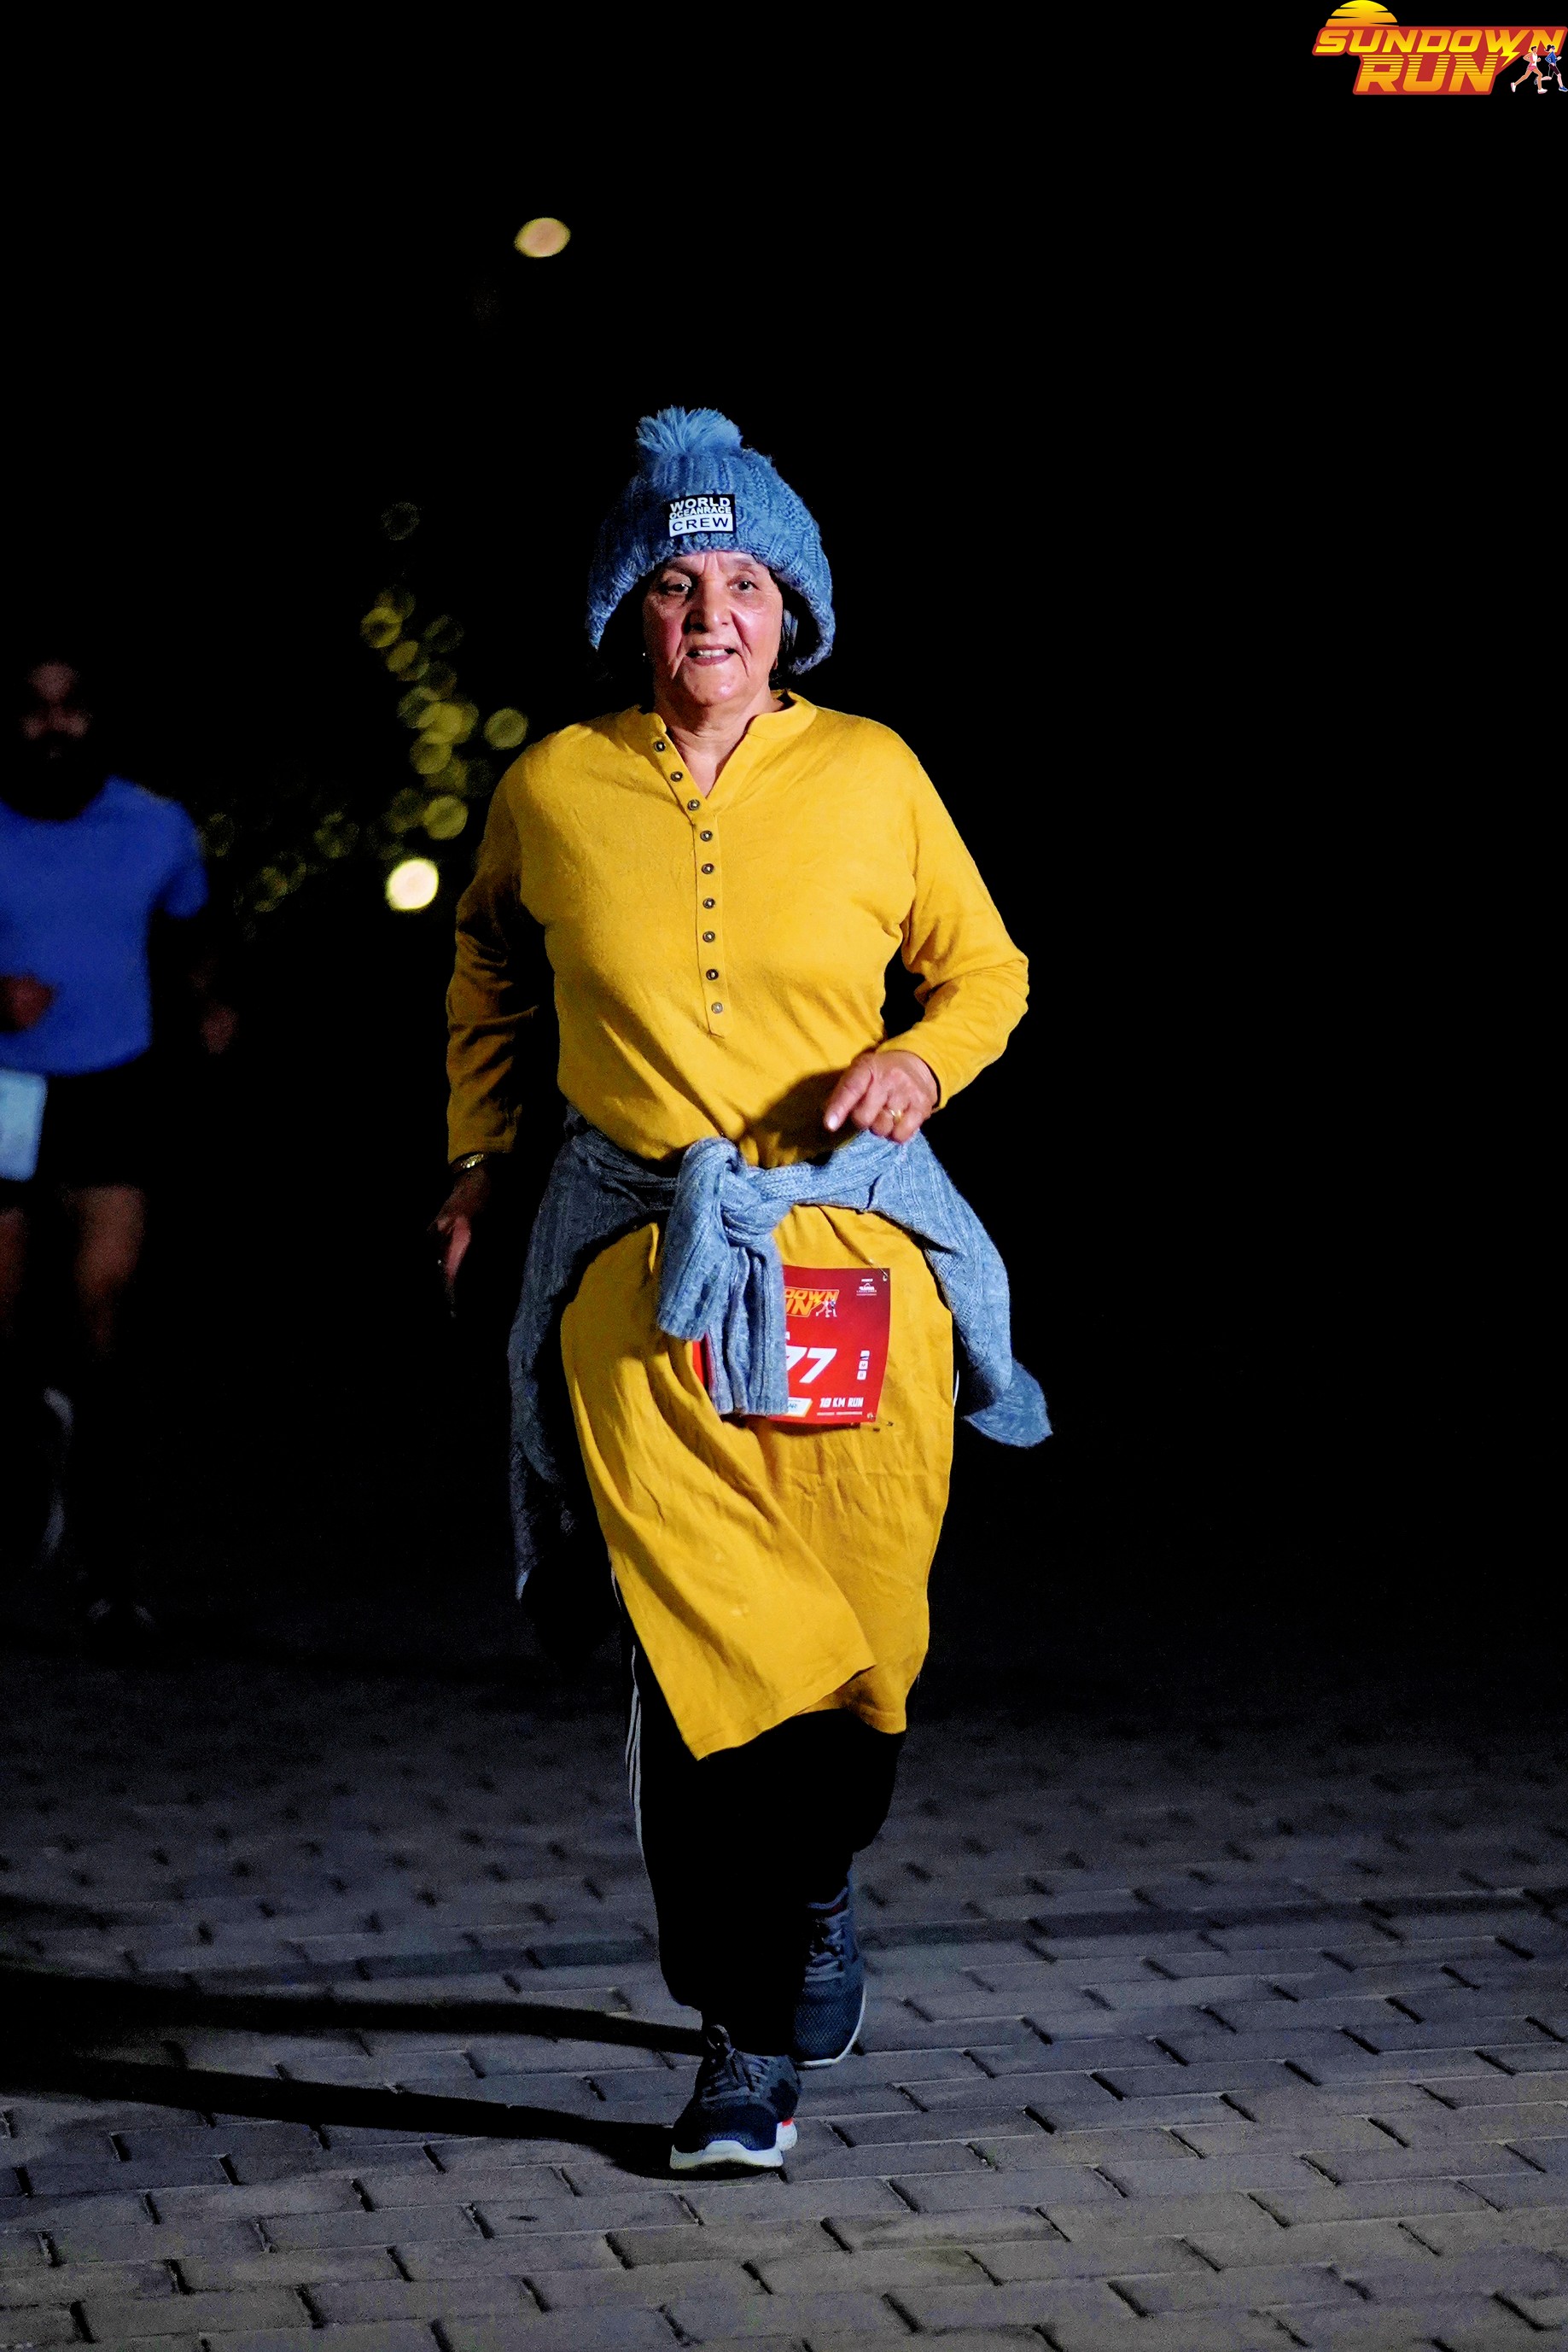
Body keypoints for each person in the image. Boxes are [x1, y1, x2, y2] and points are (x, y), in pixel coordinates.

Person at [436, 410, 1046, 2172]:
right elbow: (486, 968)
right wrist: (479, 1158)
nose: (713, 613)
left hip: (852, 1254)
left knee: (858, 1659)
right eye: (677, 584)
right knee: (707, 1655)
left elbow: (988, 971)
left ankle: (818, 1887)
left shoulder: (873, 772)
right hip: (645, 1262)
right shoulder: (552, 789)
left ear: (794, 612)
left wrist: (919, 1063)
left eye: (746, 584)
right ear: (627, 611)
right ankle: (739, 2039)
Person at [0, 657, 232, 1635]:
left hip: (113, 1085)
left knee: (105, 1314)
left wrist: (211, 1004)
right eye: (34, 709)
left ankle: (109, 1570)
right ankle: (27, 1441)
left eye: (72, 708)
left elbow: (195, 932)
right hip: (6, 1086)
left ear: (98, 718)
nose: (54, 727)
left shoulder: (154, 826)